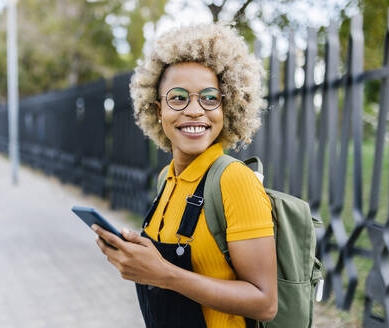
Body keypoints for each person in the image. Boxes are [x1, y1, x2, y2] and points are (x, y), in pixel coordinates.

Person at [92, 23, 277, 328]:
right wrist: (137, 258)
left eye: (209, 98)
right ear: (157, 109)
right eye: (178, 98)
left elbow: (265, 302)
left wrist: (163, 274)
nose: (194, 110)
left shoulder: (234, 180)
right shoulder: (166, 178)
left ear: (226, 106)